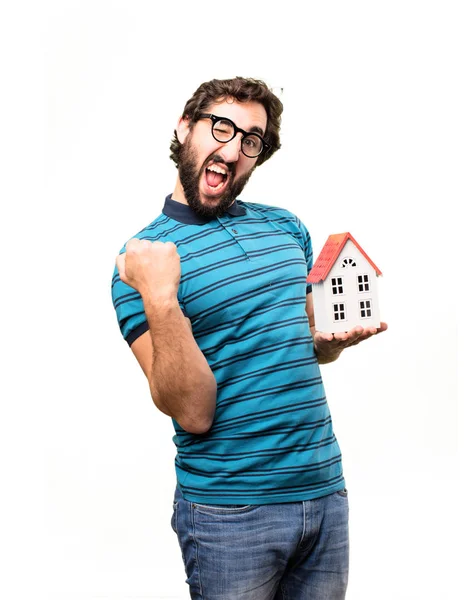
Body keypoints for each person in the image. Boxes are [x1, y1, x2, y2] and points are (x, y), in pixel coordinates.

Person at [111, 76, 387, 600]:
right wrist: (162, 298)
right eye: (222, 127)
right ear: (185, 127)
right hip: (229, 512)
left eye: (251, 140)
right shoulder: (140, 262)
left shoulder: (287, 228)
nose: (233, 149)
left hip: (325, 490)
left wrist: (330, 344)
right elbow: (191, 412)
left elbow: (306, 341)